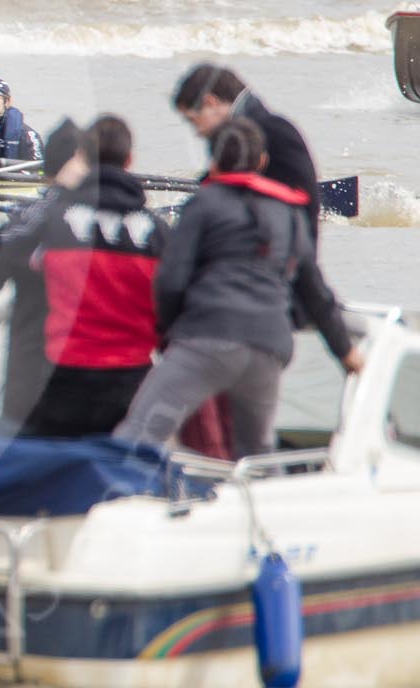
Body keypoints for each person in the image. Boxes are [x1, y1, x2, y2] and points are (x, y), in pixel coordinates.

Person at [115, 118, 364, 459]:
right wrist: (346, 352)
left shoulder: (203, 204)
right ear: (262, 162)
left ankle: (106, 506)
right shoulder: (291, 213)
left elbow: (170, 280)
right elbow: (316, 292)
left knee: (138, 433)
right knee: (256, 452)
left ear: (213, 162)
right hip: (269, 349)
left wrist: (170, 335)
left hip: (206, 340)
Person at [16, 116, 168, 440]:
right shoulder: (157, 231)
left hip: (63, 379)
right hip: (133, 382)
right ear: (130, 160)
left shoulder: (53, 216)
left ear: (81, 158)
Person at [0, 120, 84, 430]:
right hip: (92, 382)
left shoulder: (28, 219)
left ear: (45, 172)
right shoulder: (115, 221)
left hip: (27, 378)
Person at [172, 63, 320, 239]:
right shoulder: (240, 137)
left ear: (210, 102)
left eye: (194, 120)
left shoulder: (274, 130)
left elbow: (307, 206)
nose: (198, 132)